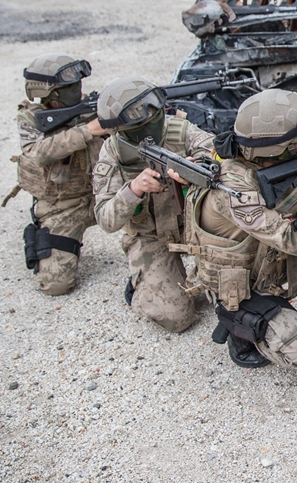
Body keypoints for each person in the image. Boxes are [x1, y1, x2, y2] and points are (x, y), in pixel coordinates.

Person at [179, 88, 297, 370]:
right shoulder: (233, 189)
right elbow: (293, 241)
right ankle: (238, 325)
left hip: (266, 260)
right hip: (241, 284)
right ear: (277, 148)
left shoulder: (279, 162)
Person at [92, 77, 215, 333]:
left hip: (196, 229)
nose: (153, 120)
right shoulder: (113, 152)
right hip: (150, 236)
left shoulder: (179, 130)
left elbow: (211, 151)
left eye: (155, 112)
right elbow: (105, 219)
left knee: (232, 294)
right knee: (176, 318)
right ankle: (142, 287)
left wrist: (197, 166)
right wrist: (134, 189)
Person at [8, 53, 107, 295]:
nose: (77, 89)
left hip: (106, 194)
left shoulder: (92, 108)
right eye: (69, 86)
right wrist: (88, 130)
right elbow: (38, 153)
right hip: (63, 206)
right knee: (56, 285)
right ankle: (49, 239)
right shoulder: (32, 118)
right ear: (48, 92)